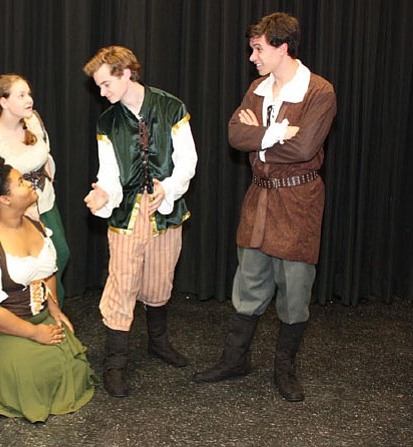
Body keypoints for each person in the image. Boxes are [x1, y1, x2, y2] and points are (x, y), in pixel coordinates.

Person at [193, 12, 337, 402]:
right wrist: (275, 133)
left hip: (299, 200)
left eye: (258, 49)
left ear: (282, 47)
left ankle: (285, 369)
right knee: (249, 280)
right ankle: (234, 359)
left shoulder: (318, 92)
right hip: (259, 195)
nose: (252, 57)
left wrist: (258, 135)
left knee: (294, 289)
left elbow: (305, 147)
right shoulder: (258, 88)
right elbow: (234, 134)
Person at [82, 46, 198, 397]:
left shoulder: (170, 107)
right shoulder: (107, 122)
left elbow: (188, 160)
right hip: (127, 215)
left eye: (105, 84)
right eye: (99, 86)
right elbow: (110, 175)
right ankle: (115, 361)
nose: (102, 93)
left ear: (126, 73)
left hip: (165, 209)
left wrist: (170, 188)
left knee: (160, 279)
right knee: (122, 282)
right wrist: (103, 195)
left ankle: (158, 342)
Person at [0, 154, 98, 423]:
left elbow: (47, 275)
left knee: (70, 364)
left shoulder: (36, 225)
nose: (30, 183)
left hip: (36, 315)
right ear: (4, 199)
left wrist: (55, 310)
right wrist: (34, 333)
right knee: (34, 372)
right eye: (21, 181)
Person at [0, 74, 70, 306]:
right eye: (21, 95)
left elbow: (45, 151)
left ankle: (55, 309)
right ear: (3, 102)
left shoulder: (33, 122)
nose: (28, 99)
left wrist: (46, 176)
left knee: (60, 255)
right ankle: (30, 311)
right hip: (13, 212)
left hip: (44, 203)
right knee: (24, 266)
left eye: (29, 94)